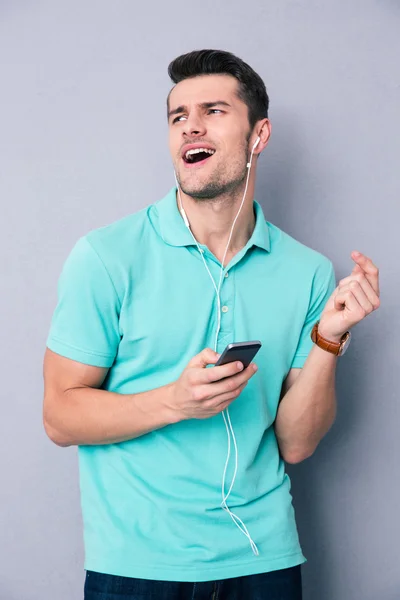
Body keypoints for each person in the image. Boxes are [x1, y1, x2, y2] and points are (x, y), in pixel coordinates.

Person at [43, 49, 380, 600]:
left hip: (266, 559)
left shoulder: (309, 271)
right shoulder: (107, 257)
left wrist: (330, 338)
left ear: (259, 134)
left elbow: (297, 444)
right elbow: (59, 416)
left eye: (214, 111)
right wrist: (174, 401)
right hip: (138, 568)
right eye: (179, 117)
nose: (191, 126)